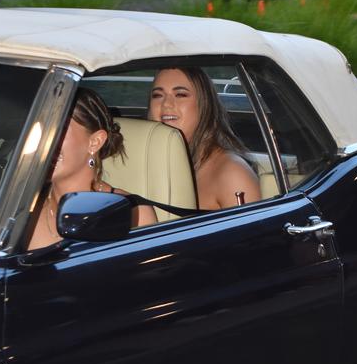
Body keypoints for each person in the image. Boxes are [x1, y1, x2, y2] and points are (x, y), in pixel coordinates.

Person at [28, 89, 156, 250]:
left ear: (95, 142)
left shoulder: (134, 213)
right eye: (42, 129)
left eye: (58, 129)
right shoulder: (22, 207)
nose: (45, 142)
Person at [148, 66, 261, 210]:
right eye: (158, 95)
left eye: (181, 95)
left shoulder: (232, 174)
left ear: (204, 104)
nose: (166, 104)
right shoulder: (146, 163)